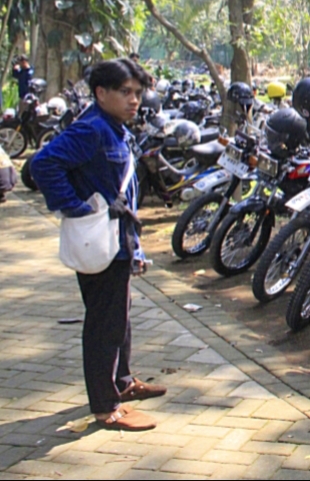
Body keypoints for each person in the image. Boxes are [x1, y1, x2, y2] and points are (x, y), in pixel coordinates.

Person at [30, 58, 165, 432]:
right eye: (125, 92)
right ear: (101, 93)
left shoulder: (114, 128)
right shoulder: (92, 129)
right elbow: (43, 165)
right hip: (100, 241)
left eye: (137, 93)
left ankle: (122, 381)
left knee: (119, 316)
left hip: (119, 241)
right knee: (105, 324)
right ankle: (106, 407)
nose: (134, 100)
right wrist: (75, 206)